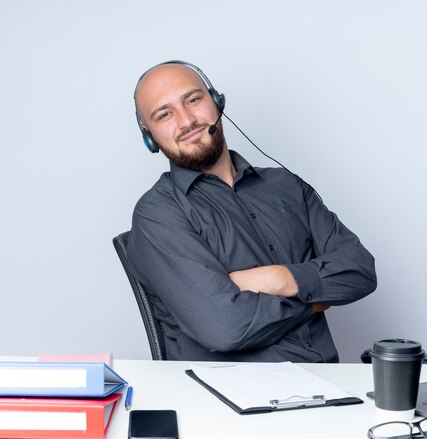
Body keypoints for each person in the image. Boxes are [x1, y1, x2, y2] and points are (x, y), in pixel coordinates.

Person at [127, 60, 376, 362]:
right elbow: (225, 327)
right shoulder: (158, 214)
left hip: (330, 387)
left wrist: (278, 278)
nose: (186, 121)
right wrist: (313, 300)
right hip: (230, 402)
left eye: (193, 100)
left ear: (217, 101)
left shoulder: (285, 185)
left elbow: (361, 270)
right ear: (149, 136)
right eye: (164, 114)